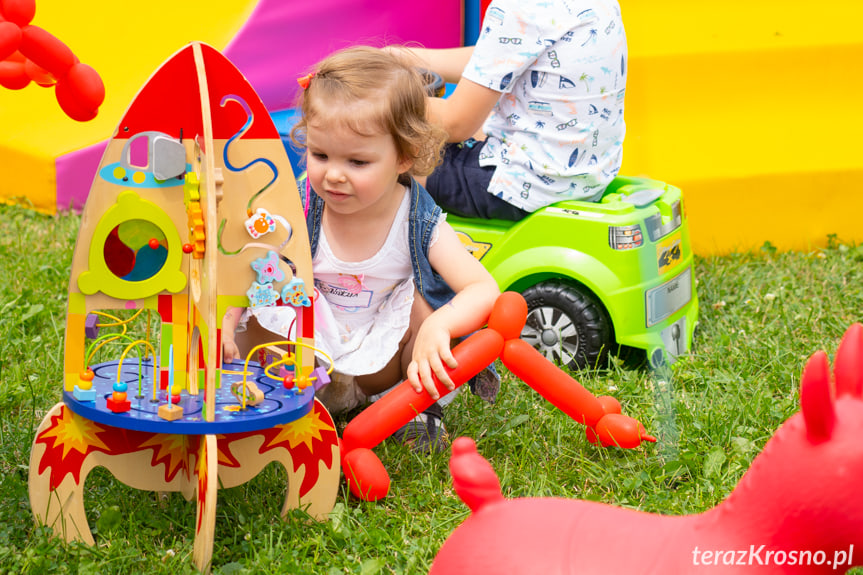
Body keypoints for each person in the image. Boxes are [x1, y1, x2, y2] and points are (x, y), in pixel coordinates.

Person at [222, 46, 501, 452]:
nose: (333, 174)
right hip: (305, 361)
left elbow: (482, 287)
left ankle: (415, 409)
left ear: (404, 156)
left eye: (357, 162)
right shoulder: (297, 206)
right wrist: (230, 318)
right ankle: (255, 390)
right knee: (265, 292)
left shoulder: (417, 219)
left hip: (380, 366)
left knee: (424, 310)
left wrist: (441, 326)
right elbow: (252, 266)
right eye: (320, 155)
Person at [389, 0, 627, 221]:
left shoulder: (517, 6)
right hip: (582, 179)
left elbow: (455, 123)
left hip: (521, 186)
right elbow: (501, 56)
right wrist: (400, 58)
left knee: (386, 158)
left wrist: (381, 100)